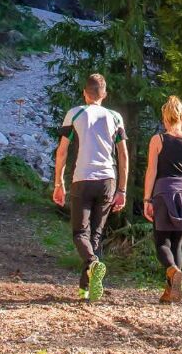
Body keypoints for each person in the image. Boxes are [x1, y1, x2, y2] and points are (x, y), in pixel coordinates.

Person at [52, 73, 128, 302]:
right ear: (104, 95)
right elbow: (123, 155)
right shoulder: (115, 117)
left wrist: (58, 182)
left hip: (82, 178)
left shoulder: (75, 113)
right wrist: (122, 190)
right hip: (107, 180)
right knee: (95, 234)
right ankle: (86, 289)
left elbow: (62, 151)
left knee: (79, 233)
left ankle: (93, 266)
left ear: (85, 93)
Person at [143, 95, 182, 303]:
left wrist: (146, 199)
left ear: (165, 117)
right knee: (177, 244)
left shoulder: (158, 140)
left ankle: (171, 270)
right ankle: (172, 292)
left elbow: (151, 171)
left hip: (164, 192)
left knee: (161, 242)